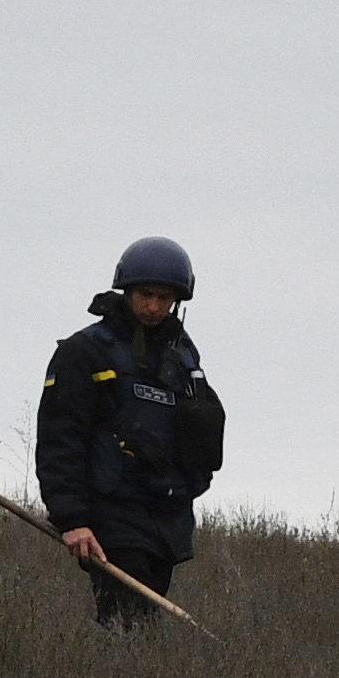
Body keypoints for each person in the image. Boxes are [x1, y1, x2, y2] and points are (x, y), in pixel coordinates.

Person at [33, 237, 226, 629]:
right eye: (145, 294)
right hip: (110, 516)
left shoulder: (184, 359)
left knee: (141, 628)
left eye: (164, 298)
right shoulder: (85, 351)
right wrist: (72, 519)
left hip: (166, 520)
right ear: (127, 291)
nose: (153, 306)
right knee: (127, 622)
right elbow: (60, 440)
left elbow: (200, 438)